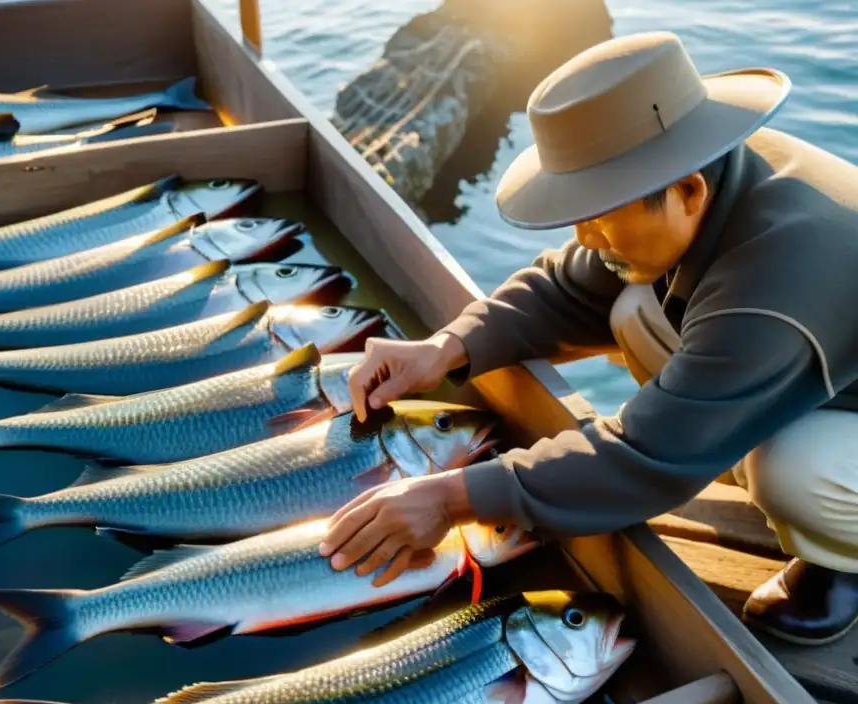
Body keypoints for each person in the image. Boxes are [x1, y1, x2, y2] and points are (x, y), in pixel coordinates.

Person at [317, 30, 858, 646]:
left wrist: (448, 499)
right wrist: (443, 348)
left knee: (795, 471)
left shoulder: (776, 286)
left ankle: (840, 563)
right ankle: (727, 431)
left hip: (818, 390)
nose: (587, 239)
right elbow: (566, 287)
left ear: (686, 193)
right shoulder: (706, 166)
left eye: (598, 218)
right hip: (812, 362)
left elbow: (645, 457)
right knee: (631, 301)